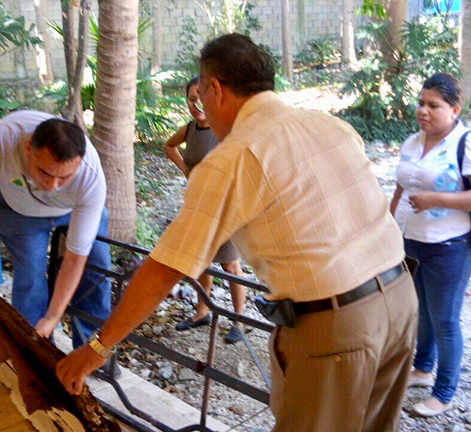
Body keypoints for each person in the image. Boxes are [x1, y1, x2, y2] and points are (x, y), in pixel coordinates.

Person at [56, 34, 417, 432]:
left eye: (202, 96)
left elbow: (166, 269)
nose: (201, 107)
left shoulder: (233, 157)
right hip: (399, 301)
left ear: (215, 88)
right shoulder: (329, 125)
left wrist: (96, 348)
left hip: (337, 329)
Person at [0, 111, 112, 352]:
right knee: (30, 277)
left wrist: (54, 316)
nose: (52, 185)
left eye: (64, 177)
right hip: (19, 211)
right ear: (28, 149)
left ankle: (90, 351)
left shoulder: (91, 176)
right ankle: (38, 353)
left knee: (96, 270)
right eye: (44, 172)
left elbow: (76, 258)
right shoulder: (0, 142)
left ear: (80, 160)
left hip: (74, 208)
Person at [389, 73, 471, 417]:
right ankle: (423, 370)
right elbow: (400, 187)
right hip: (411, 242)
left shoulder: (465, 143)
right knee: (421, 312)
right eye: (421, 103)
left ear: (455, 109)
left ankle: (445, 391)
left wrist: (437, 198)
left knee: (445, 320)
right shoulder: (412, 141)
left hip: (448, 246)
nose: (423, 111)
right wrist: (387, 225)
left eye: (433, 105)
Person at [164, 76, 246, 344]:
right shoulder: (188, 130)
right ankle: (202, 312)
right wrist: (186, 169)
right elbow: (168, 146)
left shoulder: (224, 130)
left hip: (225, 208)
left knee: (230, 264)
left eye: (200, 97)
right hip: (197, 206)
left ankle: (239, 319)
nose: (196, 103)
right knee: (201, 262)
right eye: (191, 98)